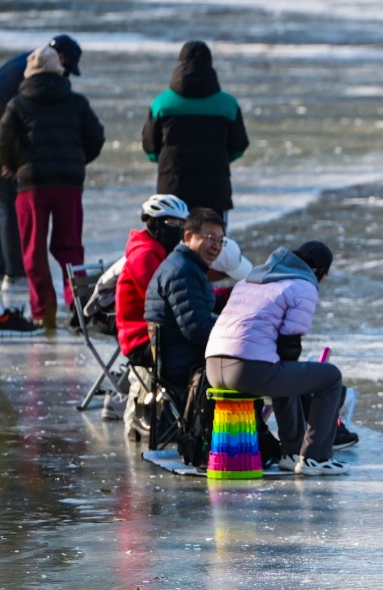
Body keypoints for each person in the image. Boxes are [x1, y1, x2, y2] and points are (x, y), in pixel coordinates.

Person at [204, 241, 348, 476]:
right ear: (319, 273)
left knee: (285, 371)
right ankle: (316, 457)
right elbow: (290, 341)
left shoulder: (249, 280)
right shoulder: (302, 285)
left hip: (213, 366)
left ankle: (291, 453)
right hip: (246, 370)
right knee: (330, 377)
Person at [0, 34, 82, 329]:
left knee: (0, 203)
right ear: (60, 59)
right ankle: (15, 275)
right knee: (7, 201)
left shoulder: (27, 60)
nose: (67, 74)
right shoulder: (33, 73)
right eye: (68, 67)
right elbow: (17, 119)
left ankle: (3, 270)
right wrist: (11, 162)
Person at [0, 45, 105, 330]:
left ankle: (44, 312)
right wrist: (77, 162)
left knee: (33, 249)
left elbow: (1, 140)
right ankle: (78, 306)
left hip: (32, 185)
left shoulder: (18, 104)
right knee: (70, 247)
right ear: (59, 70)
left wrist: (15, 165)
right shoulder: (77, 102)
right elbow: (96, 137)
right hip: (68, 184)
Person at [141, 41, 249, 221]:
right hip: (214, 190)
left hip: (173, 190)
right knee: (213, 243)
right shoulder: (227, 104)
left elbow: (150, 148)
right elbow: (239, 145)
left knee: (173, 243)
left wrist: (167, 161)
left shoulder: (162, 103)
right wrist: (220, 157)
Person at [116, 194, 190, 434]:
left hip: (155, 333)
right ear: (154, 224)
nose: (178, 230)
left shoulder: (158, 250)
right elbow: (164, 300)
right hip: (142, 339)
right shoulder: (146, 255)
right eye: (171, 224)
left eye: (182, 224)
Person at [144, 208, 224, 393]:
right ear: (188, 237)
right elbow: (197, 329)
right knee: (249, 367)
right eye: (210, 237)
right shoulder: (183, 271)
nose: (216, 246)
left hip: (182, 353)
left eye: (221, 240)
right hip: (182, 363)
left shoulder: (188, 265)